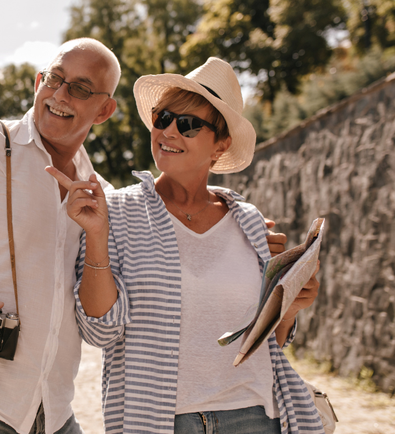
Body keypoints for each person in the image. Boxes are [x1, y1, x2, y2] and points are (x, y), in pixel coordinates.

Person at [0, 38, 288, 434]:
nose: (59, 95)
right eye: (53, 79)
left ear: (104, 110)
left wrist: (245, 247)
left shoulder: (102, 196)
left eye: (79, 87)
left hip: (51, 407)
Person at [46, 57, 325, 434]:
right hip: (157, 420)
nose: (169, 132)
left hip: (255, 415)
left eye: (189, 124)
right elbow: (100, 332)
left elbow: (269, 337)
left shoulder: (250, 221)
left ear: (220, 145)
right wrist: (96, 237)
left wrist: (292, 304)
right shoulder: (116, 212)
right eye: (163, 118)